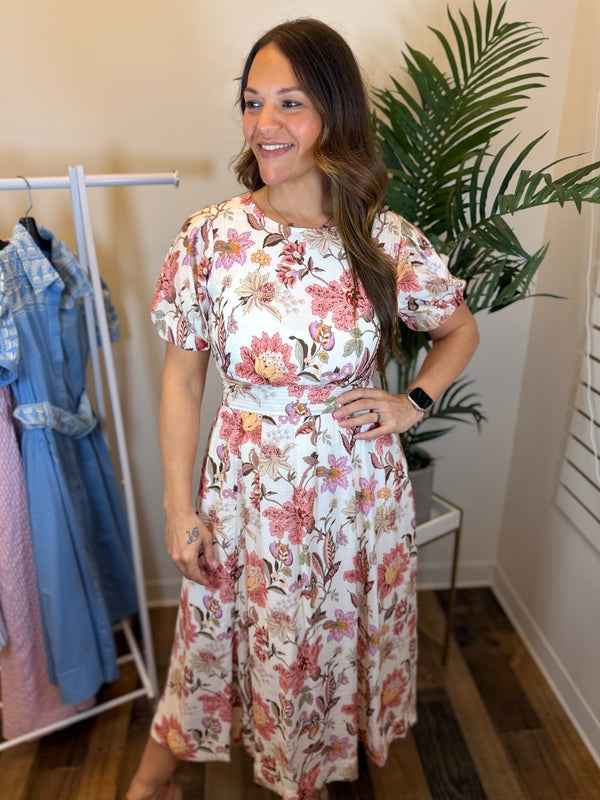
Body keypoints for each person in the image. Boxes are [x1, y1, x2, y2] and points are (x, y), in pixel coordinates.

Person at [126, 17, 479, 800]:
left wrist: (408, 403)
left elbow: (458, 328)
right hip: (248, 488)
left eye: (290, 102)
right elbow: (182, 382)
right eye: (253, 102)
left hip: (353, 495)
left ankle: (304, 778)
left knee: (317, 650)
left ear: (334, 114)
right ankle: (151, 783)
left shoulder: (381, 238)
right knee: (213, 639)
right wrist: (177, 505)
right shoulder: (211, 238)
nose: (264, 125)